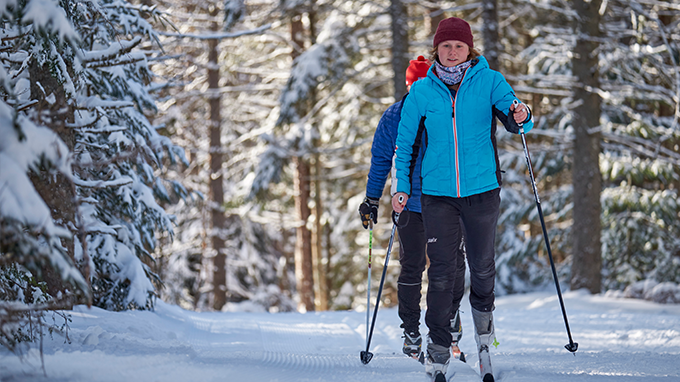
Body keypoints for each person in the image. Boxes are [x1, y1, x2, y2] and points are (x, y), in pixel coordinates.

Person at [390, 17, 533, 382]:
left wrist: (522, 114)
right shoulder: (423, 91)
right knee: (441, 272)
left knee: (482, 265)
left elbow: (517, 119)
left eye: (458, 46)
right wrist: (401, 187)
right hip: (438, 195)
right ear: (436, 50)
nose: (452, 52)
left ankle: (484, 336)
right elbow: (404, 146)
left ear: (470, 48)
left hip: (482, 191)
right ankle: (438, 348)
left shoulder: (489, 81)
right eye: (445, 46)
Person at [358, 56, 466, 362]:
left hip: (440, 201)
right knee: (425, 265)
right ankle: (416, 328)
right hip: (413, 205)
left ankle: (438, 320)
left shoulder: (436, 112)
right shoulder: (396, 117)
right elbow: (380, 161)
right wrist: (371, 199)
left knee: (442, 264)